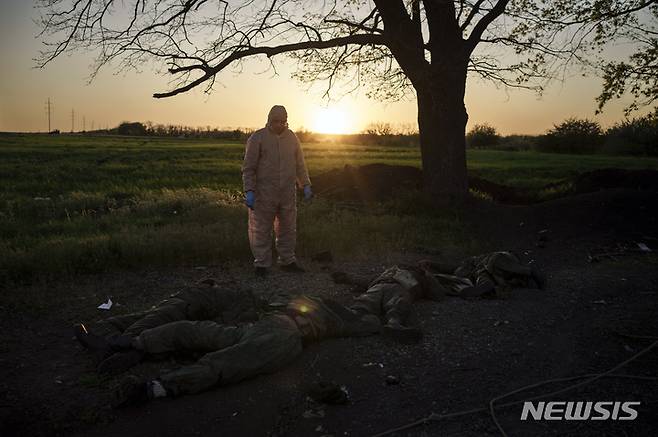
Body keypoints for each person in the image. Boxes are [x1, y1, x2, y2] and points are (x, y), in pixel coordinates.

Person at [242, 105, 312, 277]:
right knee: (261, 228)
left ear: (286, 121)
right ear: (269, 120)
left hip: (287, 192)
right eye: (276, 121)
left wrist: (306, 184)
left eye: (282, 121)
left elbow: (300, 165)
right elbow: (249, 168)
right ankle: (262, 264)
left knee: (288, 227)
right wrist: (249, 190)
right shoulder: (258, 138)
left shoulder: (292, 138)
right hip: (263, 192)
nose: (279, 124)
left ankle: (287, 261)